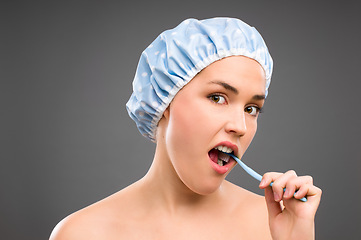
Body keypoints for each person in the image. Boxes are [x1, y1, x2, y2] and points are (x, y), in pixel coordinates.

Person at [50, 17, 322, 240]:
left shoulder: (275, 224)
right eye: (217, 98)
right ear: (165, 100)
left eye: (251, 109)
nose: (240, 126)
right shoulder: (82, 233)